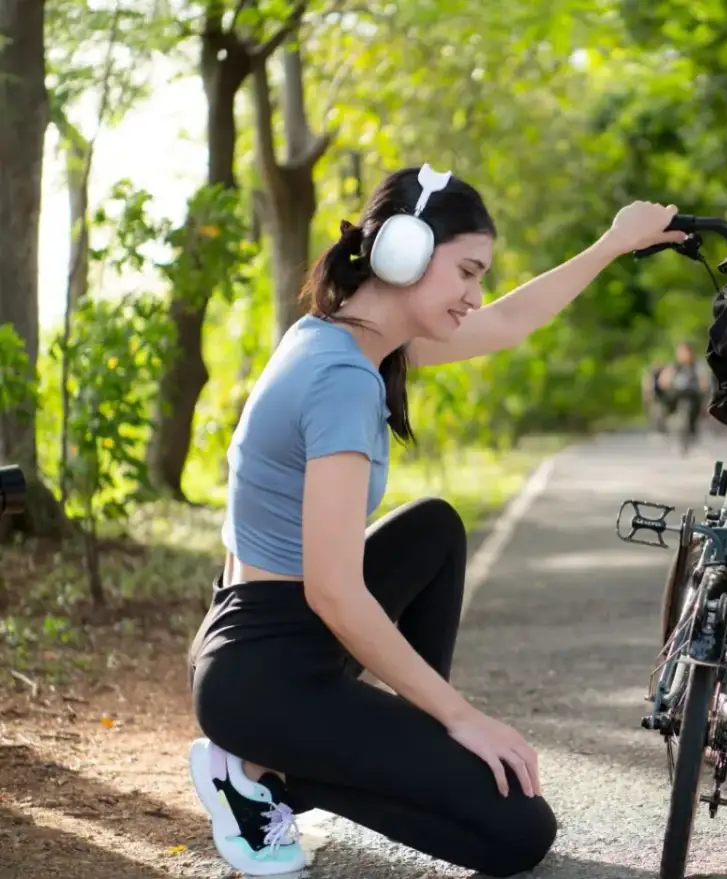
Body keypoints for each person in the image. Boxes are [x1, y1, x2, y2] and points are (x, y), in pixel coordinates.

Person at [184, 162, 687, 877]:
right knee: (518, 832)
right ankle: (257, 774)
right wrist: (461, 716)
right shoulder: (342, 380)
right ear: (404, 252)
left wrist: (612, 244)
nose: (474, 296)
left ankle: (341, 753)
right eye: (467, 272)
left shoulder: (345, 338)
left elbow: (509, 321)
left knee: (434, 529)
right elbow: (334, 590)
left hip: (268, 636)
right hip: (263, 676)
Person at [654, 342, 708, 448]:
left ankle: (692, 432)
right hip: (677, 395)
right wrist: (666, 383)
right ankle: (664, 428)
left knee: (698, 410)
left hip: (692, 395)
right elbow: (663, 380)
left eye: (686, 352)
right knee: (663, 407)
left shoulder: (697, 366)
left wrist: (703, 390)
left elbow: (703, 380)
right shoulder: (674, 366)